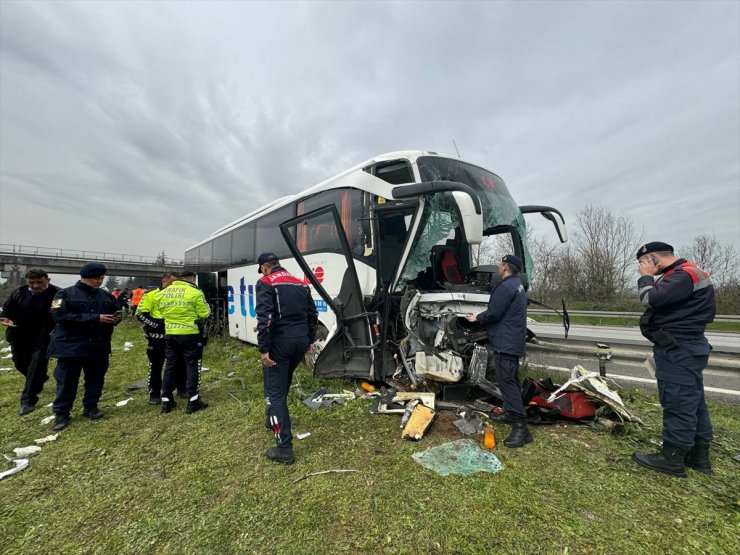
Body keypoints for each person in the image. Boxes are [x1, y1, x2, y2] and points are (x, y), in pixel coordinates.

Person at [632, 242, 716, 478]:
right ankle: (698, 456)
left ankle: (672, 458)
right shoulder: (685, 273)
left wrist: (646, 277)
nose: (640, 268)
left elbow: (651, 299)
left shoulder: (682, 275)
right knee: (693, 402)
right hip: (685, 347)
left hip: (679, 349)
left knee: (677, 401)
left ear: (653, 258)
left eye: (642, 263)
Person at [256, 252, 318, 464]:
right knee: (280, 381)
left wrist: (264, 349)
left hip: (280, 343)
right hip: (300, 341)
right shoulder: (300, 283)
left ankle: (284, 448)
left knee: (275, 393)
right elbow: (312, 316)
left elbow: (266, 318)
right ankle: (271, 418)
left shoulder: (265, 282)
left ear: (265, 267)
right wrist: (308, 340)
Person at [465, 254, 531, 448]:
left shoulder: (505, 286)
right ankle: (510, 413)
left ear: (504, 267)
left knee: (507, 381)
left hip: (506, 342)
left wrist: (477, 317)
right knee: (511, 379)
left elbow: (494, 312)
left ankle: (521, 428)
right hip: (512, 340)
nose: (498, 267)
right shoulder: (517, 284)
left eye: (500, 265)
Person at [47, 263, 121, 431]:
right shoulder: (64, 294)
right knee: (66, 381)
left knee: (96, 379)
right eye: (96, 278)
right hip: (70, 347)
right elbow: (59, 316)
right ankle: (61, 413)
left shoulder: (106, 296)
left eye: (101, 278)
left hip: (98, 346)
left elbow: (116, 311)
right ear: (85, 277)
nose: (100, 281)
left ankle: (91, 407)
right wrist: (95, 318)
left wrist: (116, 318)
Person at [0, 269, 60, 415]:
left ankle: (27, 401)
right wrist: (5, 317)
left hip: (44, 337)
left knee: (36, 365)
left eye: (39, 282)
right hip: (19, 335)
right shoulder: (19, 292)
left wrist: (57, 328)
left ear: (48, 280)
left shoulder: (57, 294)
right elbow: (8, 309)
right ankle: (39, 378)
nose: (35, 286)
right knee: (19, 363)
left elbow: (59, 313)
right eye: (31, 283)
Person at [156, 271, 211, 414]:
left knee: (170, 366)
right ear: (192, 279)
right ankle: (193, 401)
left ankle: (166, 401)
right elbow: (205, 313)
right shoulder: (195, 292)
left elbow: (160, 313)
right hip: (190, 335)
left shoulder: (163, 293)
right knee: (192, 366)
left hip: (170, 335)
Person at [135, 272, 187, 404]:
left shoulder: (180, 294)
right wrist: (158, 325)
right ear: (164, 282)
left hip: (177, 335)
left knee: (181, 364)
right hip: (157, 338)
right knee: (156, 366)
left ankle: (182, 389)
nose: (175, 286)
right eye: (172, 283)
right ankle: (154, 394)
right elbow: (140, 314)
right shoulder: (151, 294)